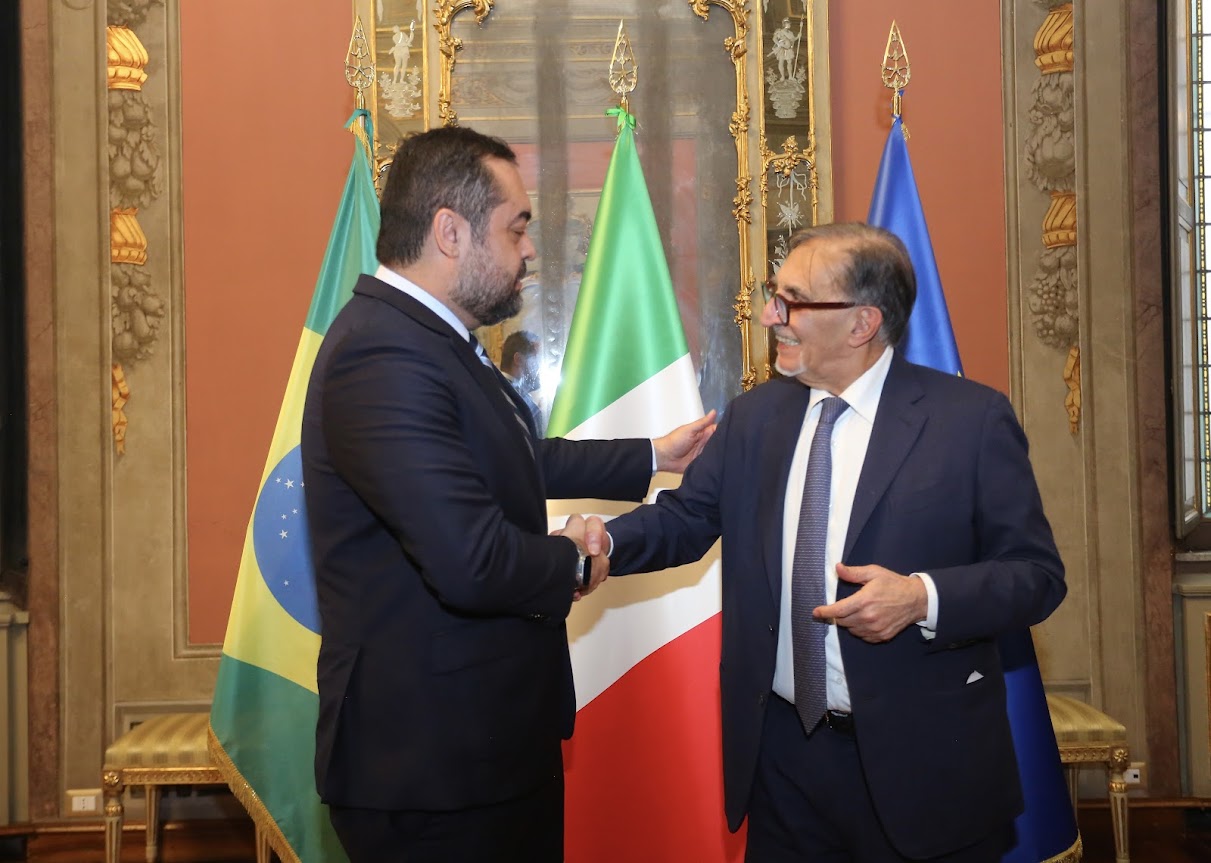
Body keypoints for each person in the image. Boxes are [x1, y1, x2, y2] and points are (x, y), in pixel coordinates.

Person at [577, 223, 1066, 861]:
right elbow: (686, 518)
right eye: (773, 295)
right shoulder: (755, 417)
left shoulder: (969, 421)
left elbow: (1035, 575)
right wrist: (599, 545)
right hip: (784, 762)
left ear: (863, 322)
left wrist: (922, 598)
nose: (769, 316)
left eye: (794, 301)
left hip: (924, 766)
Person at [300, 125, 714, 863]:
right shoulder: (384, 353)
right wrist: (578, 559)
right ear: (450, 232)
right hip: (432, 768)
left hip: (479, 745)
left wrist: (653, 455)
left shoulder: (430, 338)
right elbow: (472, 561)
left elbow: (512, 459)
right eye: (516, 228)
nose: (528, 251)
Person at [500, 328, 543, 433]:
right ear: (518, 359)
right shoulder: (504, 395)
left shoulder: (517, 392)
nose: (538, 366)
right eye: (535, 358)